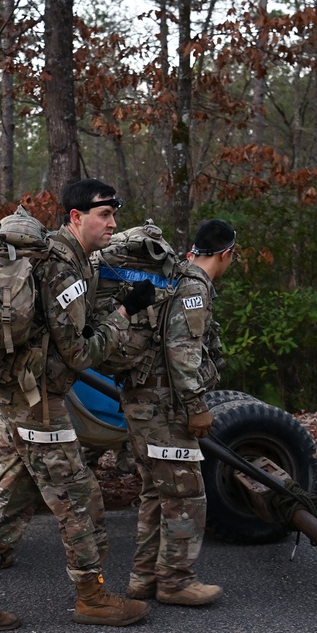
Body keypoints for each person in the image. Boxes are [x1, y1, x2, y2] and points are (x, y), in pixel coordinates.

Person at [0, 179, 155, 631]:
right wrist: (124, 315)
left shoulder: (68, 260)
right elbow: (79, 352)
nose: (113, 224)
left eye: (115, 214)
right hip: (36, 402)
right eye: (104, 215)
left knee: (12, 493)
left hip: (21, 394)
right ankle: (92, 596)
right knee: (79, 498)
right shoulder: (63, 266)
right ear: (76, 217)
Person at [122, 218, 236, 605]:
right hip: (164, 405)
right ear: (226, 254)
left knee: (157, 492)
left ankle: (143, 578)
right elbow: (181, 352)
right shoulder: (193, 287)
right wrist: (197, 407)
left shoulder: (176, 277)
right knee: (186, 493)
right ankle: (175, 581)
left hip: (142, 401)